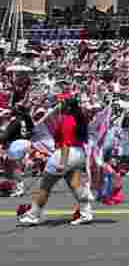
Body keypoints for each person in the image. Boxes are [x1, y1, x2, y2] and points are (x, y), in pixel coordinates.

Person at [18, 96, 94, 226]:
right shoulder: (80, 118)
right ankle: (86, 213)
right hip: (79, 154)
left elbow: (66, 143)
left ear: (68, 106)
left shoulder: (67, 119)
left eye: (62, 102)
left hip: (66, 154)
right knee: (75, 185)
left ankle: (33, 215)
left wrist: (62, 163)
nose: (59, 105)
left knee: (45, 186)